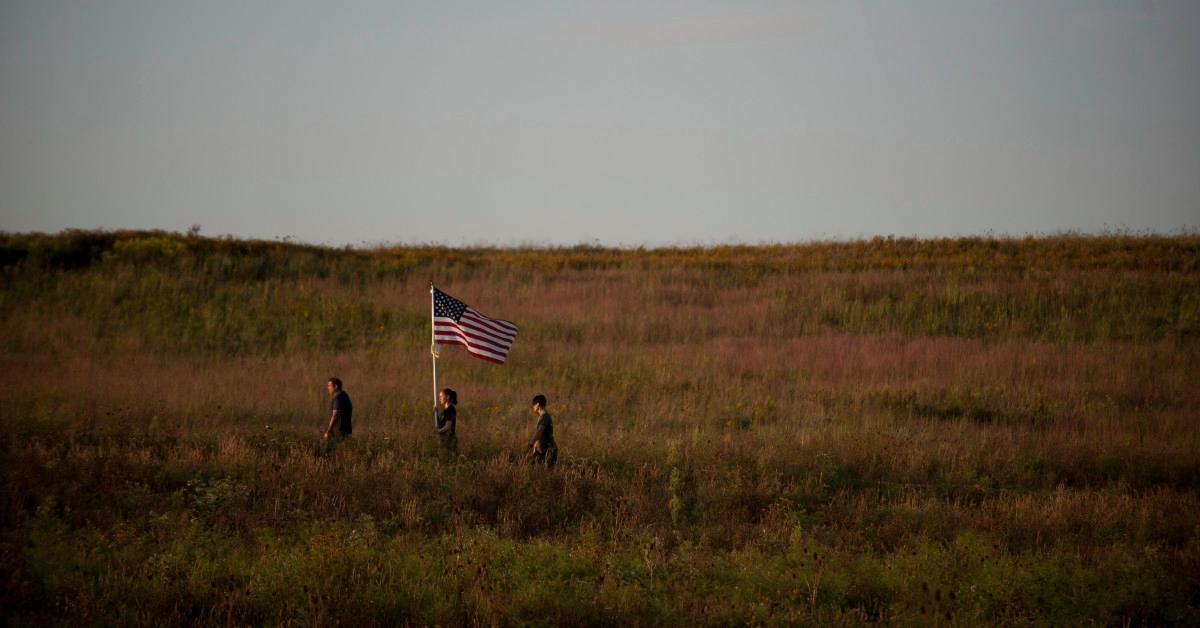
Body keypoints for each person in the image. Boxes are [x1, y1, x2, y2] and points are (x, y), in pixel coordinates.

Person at [526, 394, 558, 467]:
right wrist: (535, 449)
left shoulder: (545, 417)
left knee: (547, 474)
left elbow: (539, 431)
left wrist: (531, 443)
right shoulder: (541, 417)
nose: (533, 407)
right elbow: (540, 436)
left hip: (548, 451)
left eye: (533, 405)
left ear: (537, 405)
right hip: (542, 451)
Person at [322, 377, 352, 453]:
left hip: (337, 431)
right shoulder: (345, 395)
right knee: (342, 452)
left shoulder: (337, 398)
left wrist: (328, 431)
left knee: (328, 452)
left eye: (329, 386)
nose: (327, 388)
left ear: (335, 386)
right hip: (346, 429)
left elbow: (335, 414)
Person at [435, 388, 458, 455]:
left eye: (441, 396)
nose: (439, 398)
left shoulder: (450, 410)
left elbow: (448, 427)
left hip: (448, 441)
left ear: (447, 397)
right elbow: (441, 423)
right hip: (445, 440)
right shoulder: (446, 410)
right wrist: (436, 412)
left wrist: (438, 431)